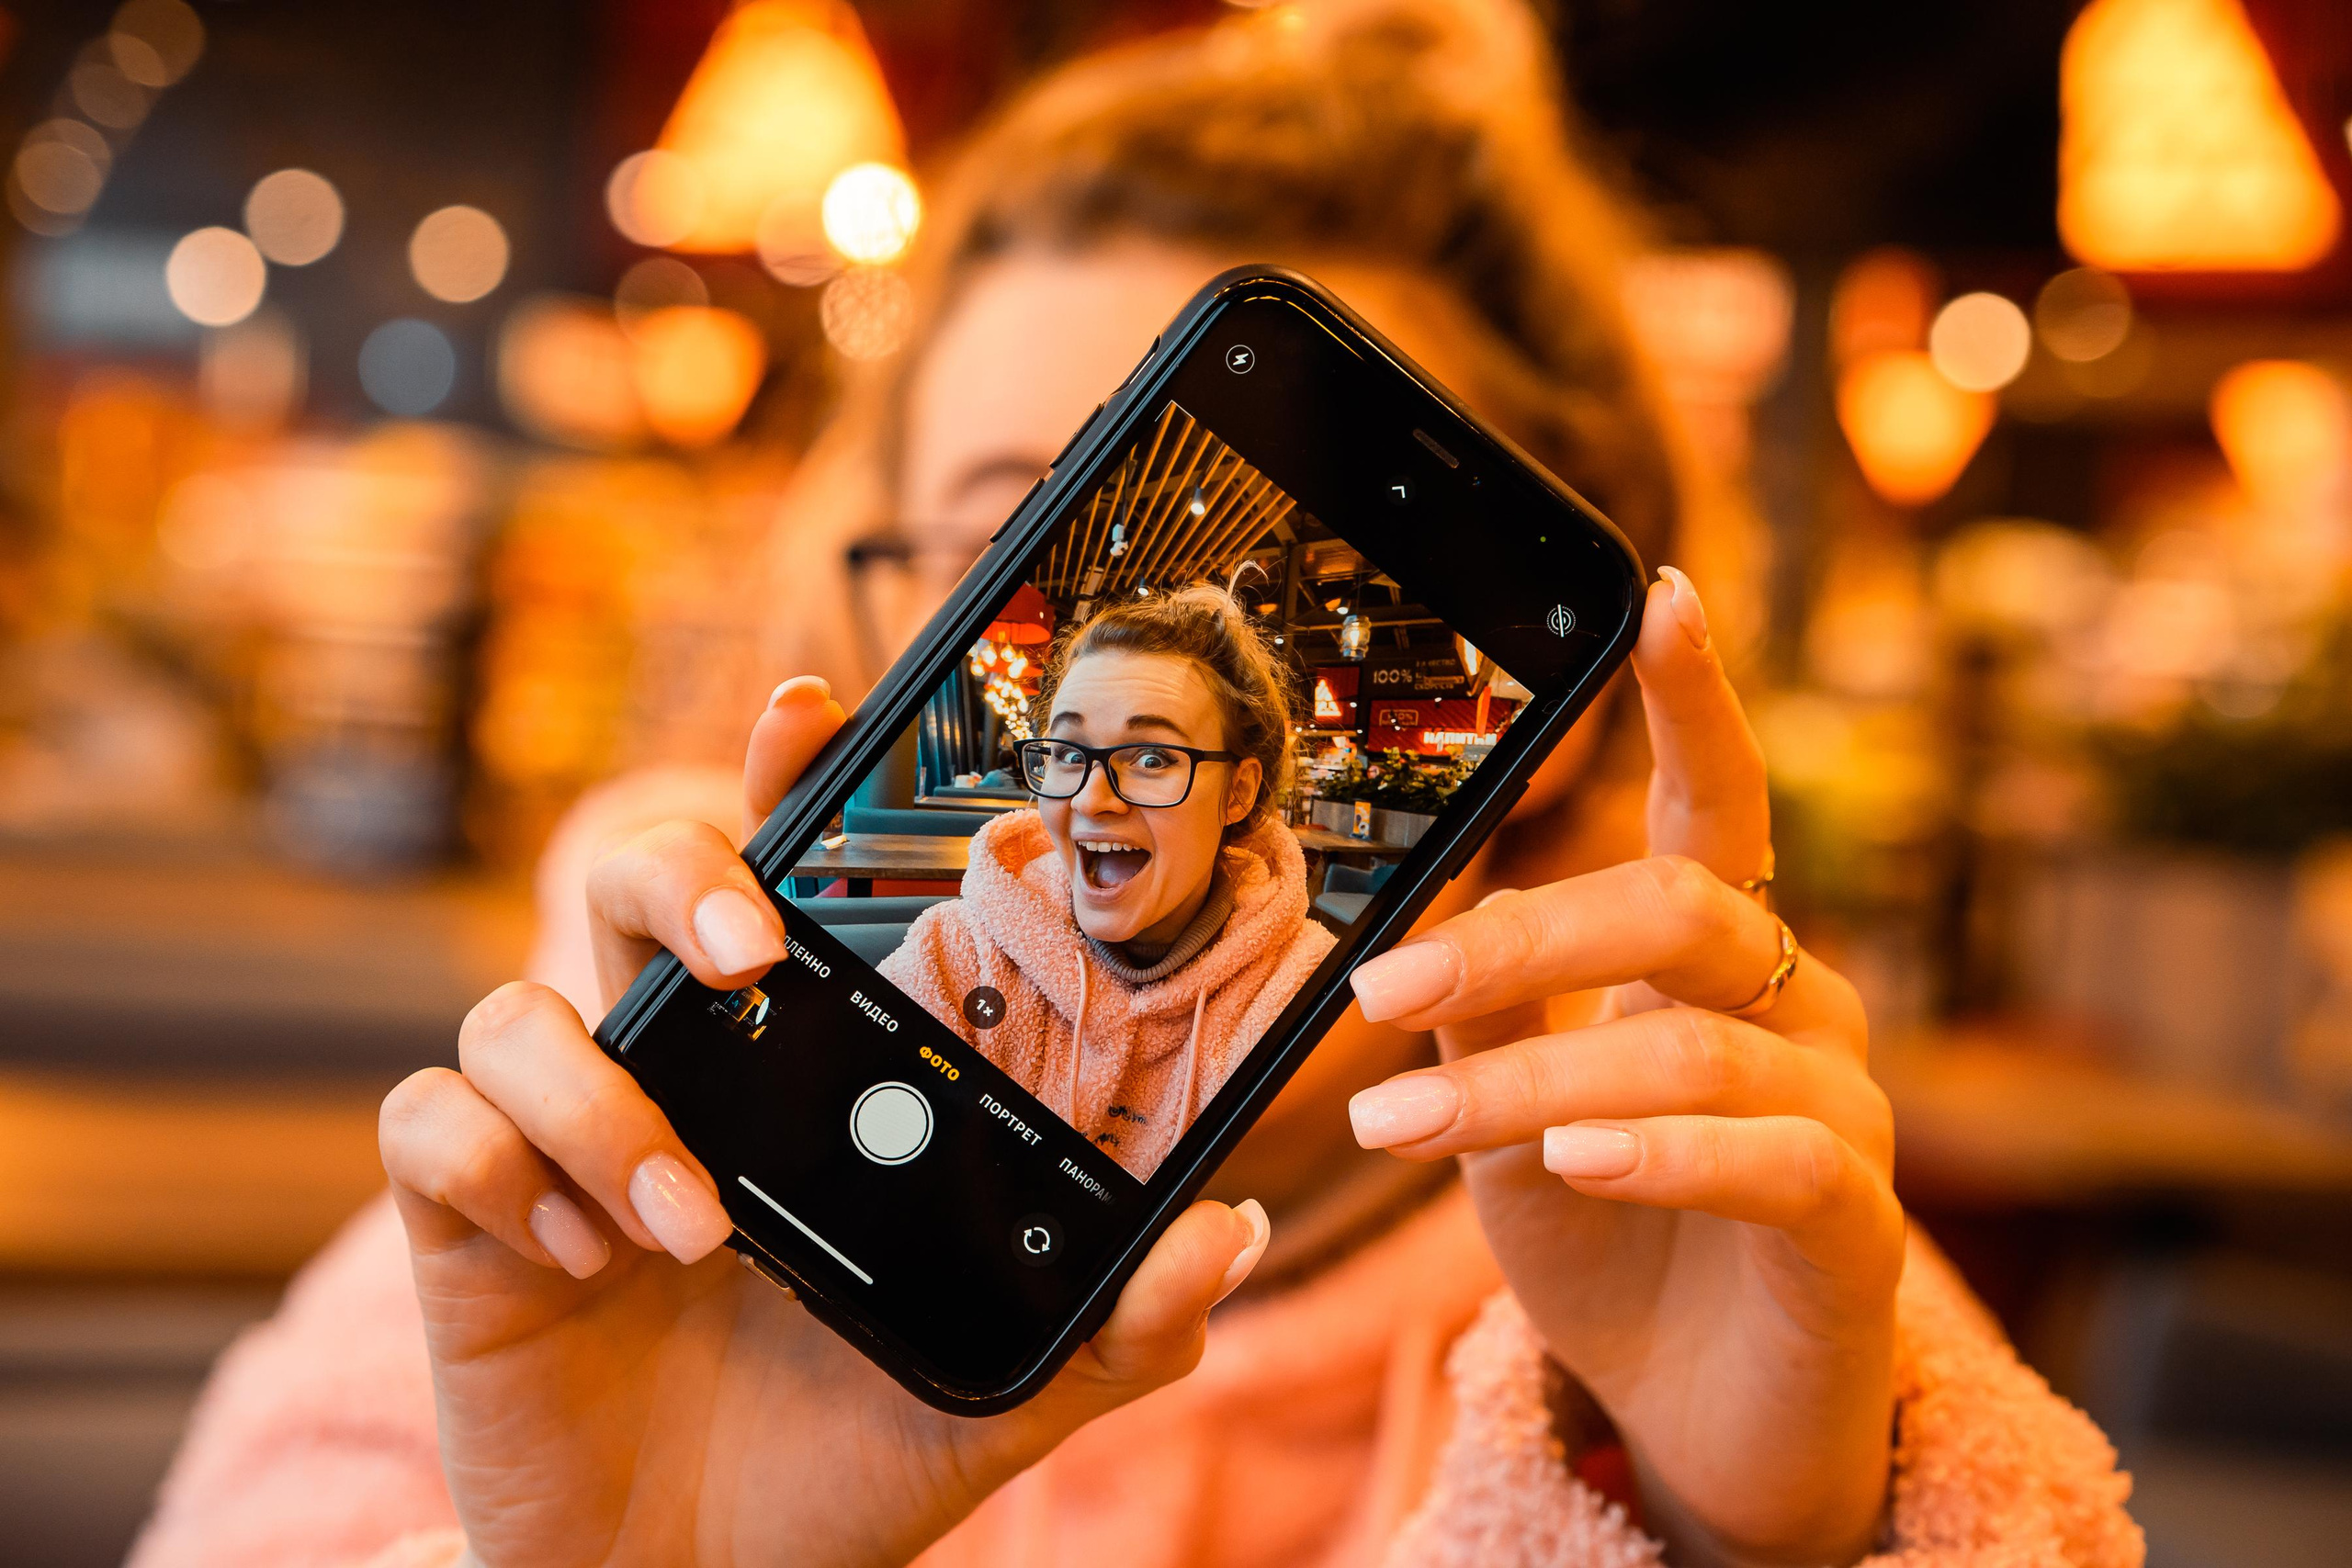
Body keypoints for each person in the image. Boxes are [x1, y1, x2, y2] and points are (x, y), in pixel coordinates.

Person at [131, 6, 2143, 1568]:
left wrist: (1745, 1529)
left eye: (1294, 632)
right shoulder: (608, 1189)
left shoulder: (1739, 1286)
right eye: (1013, 559)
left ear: (1540, 754)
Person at [877, 586, 1335, 1179]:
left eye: (1152, 759)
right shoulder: (958, 953)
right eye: (1069, 753)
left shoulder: (1303, 995)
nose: (1092, 800)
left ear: (1238, 792)